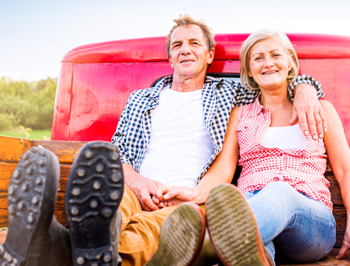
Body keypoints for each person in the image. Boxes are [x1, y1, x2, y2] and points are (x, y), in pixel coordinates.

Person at [0, 15, 325, 266]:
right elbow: (117, 156)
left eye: (195, 43)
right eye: (177, 45)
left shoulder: (229, 94)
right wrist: (140, 184)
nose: (186, 50)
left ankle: (56, 247)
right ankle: (79, 246)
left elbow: (273, 79)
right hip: (132, 187)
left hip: (186, 199)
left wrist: (307, 87)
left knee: (160, 228)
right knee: (112, 207)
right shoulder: (140, 99)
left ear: (209, 54)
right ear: (169, 58)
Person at [151, 29, 350, 266]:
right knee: (255, 250)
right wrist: (194, 193)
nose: (268, 63)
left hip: (310, 223)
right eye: (258, 58)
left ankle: (202, 249)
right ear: (249, 71)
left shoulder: (321, 109)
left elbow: (345, 170)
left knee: (278, 192)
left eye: (276, 55)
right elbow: (224, 171)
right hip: (255, 215)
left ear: (290, 62)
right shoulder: (240, 115)